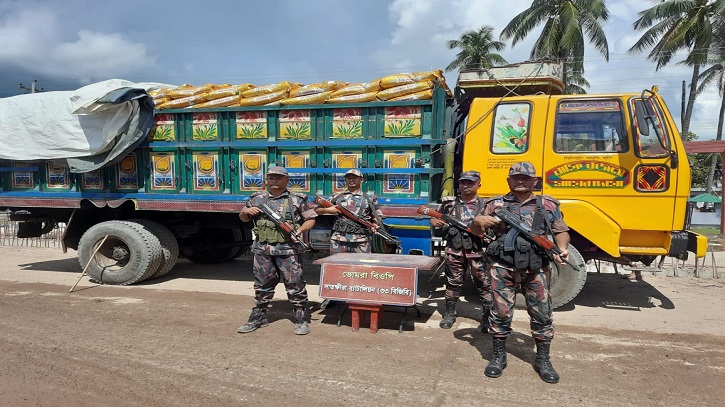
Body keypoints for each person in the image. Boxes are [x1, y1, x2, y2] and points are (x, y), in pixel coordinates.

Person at [472, 161, 570, 384]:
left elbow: (561, 230)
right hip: (502, 268)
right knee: (501, 313)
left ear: (535, 181)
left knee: (542, 314)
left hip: (536, 269)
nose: (520, 181)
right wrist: (478, 221)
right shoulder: (494, 204)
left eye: (526, 177)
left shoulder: (548, 204)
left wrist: (562, 248)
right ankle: (498, 357)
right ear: (508, 181)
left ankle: (543, 359)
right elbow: (476, 231)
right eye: (516, 177)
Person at [237, 166, 317, 335]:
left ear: (287, 180)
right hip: (263, 249)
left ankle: (300, 316)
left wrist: (300, 231)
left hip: (288, 250)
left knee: (295, 284)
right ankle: (259, 316)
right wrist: (246, 211)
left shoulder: (297, 199)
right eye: (271, 178)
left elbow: (310, 219)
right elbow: (243, 217)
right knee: (262, 285)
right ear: (267, 180)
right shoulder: (257, 198)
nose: (274, 181)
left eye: (279, 178)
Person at [429, 170, 492, 331]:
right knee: (452, 283)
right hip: (455, 249)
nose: (465, 186)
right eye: (463, 182)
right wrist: (435, 221)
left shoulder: (486, 205)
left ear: (479, 184)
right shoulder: (450, 204)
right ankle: (450, 313)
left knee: (485, 284)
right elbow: (436, 217)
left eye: (470, 183)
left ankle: (487, 317)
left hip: (479, 251)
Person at [315, 168, 382, 309]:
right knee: (335, 269)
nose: (351, 180)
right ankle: (331, 297)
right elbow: (317, 210)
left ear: (361, 180)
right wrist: (329, 210)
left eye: (355, 177)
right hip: (339, 238)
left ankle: (362, 296)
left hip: (361, 239)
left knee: (363, 270)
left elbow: (377, 216)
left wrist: (375, 224)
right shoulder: (336, 197)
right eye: (348, 177)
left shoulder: (369, 198)